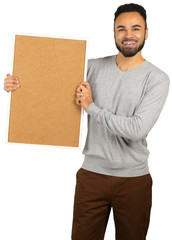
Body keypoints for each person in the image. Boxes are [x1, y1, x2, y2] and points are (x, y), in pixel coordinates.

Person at [4, 3, 170, 240]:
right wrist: (18, 85)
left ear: (146, 32)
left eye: (136, 28)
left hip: (134, 181)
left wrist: (92, 107)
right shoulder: (91, 67)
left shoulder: (157, 79)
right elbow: (51, 83)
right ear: (113, 32)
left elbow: (137, 129)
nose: (128, 35)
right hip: (92, 176)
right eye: (121, 29)